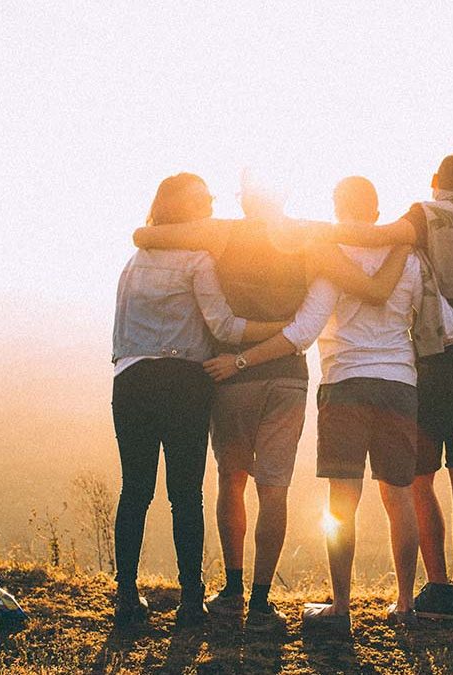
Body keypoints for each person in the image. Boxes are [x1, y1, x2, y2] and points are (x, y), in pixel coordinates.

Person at [204, 176, 453, 631]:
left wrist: (241, 360)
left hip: (345, 386)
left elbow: (304, 331)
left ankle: (341, 607)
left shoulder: (332, 257)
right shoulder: (410, 259)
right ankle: (406, 604)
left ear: (338, 208)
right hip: (400, 388)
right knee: (399, 499)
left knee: (342, 503)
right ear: (376, 213)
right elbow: (448, 325)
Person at [132, 173, 409, 630]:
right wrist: (404, 239)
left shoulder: (222, 232)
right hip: (288, 377)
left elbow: (149, 235)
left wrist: (144, 232)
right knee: (274, 488)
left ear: (245, 199)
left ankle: (232, 590)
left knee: (231, 480)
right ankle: (261, 603)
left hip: (231, 376)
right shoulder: (309, 236)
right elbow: (363, 274)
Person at [329, 152, 453, 620]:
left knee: (419, 476)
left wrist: (313, 234)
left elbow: (376, 237)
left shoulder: (426, 213)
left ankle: (432, 586)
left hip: (437, 356)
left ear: (436, 180)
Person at [111, 173, 287, 628]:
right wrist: (281, 330)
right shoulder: (198, 259)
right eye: (203, 199)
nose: (211, 204)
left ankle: (126, 597)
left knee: (135, 490)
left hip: (130, 380)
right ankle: (191, 601)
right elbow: (225, 328)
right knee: (185, 495)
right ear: (186, 210)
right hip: (184, 382)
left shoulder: (135, 260)